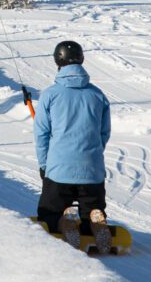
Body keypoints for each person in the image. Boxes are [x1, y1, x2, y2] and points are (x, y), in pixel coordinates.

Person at [34, 41, 112, 254]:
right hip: (92, 169)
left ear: (57, 61)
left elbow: (41, 134)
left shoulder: (50, 95)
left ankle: (63, 221)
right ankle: (94, 219)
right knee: (92, 208)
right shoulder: (98, 95)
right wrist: (92, 153)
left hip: (59, 168)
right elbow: (103, 133)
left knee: (48, 213)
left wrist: (44, 164)